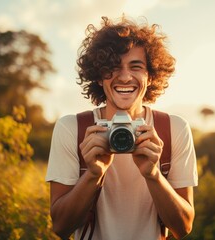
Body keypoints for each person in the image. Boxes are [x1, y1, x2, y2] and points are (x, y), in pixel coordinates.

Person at [46, 16, 198, 240]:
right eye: (113, 67)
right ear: (99, 76)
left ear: (150, 75)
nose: (125, 77)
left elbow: (183, 228)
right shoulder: (72, 129)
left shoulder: (174, 129)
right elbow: (61, 227)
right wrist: (93, 174)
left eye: (136, 66)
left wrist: (153, 174)